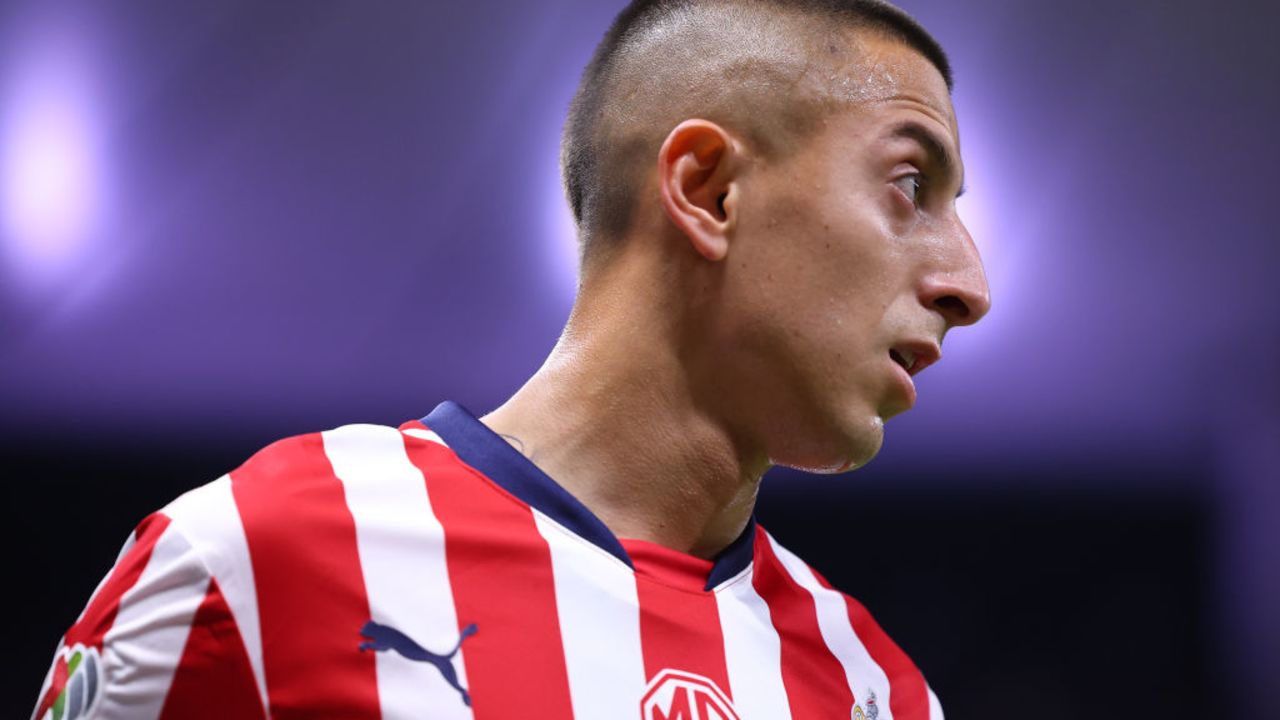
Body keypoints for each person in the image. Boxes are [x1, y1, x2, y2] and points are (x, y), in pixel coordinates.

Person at [32, 0, 990, 717]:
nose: (969, 282)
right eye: (912, 183)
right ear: (708, 190)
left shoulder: (876, 691)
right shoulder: (260, 555)